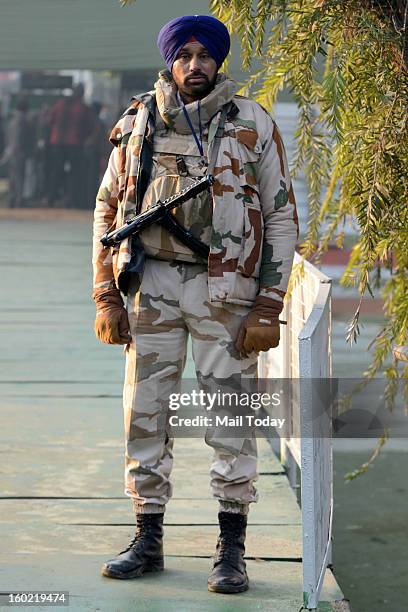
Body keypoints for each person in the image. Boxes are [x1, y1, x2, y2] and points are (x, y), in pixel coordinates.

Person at [92, 15, 298, 594]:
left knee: (229, 416)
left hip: (225, 292)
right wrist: (106, 294)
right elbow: (107, 210)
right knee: (145, 413)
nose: (194, 65)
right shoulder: (139, 121)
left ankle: (231, 551)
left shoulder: (251, 122)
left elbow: (280, 215)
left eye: (205, 55)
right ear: (169, 60)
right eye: (183, 54)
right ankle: (147, 539)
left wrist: (268, 305)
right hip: (151, 285)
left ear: (219, 61)